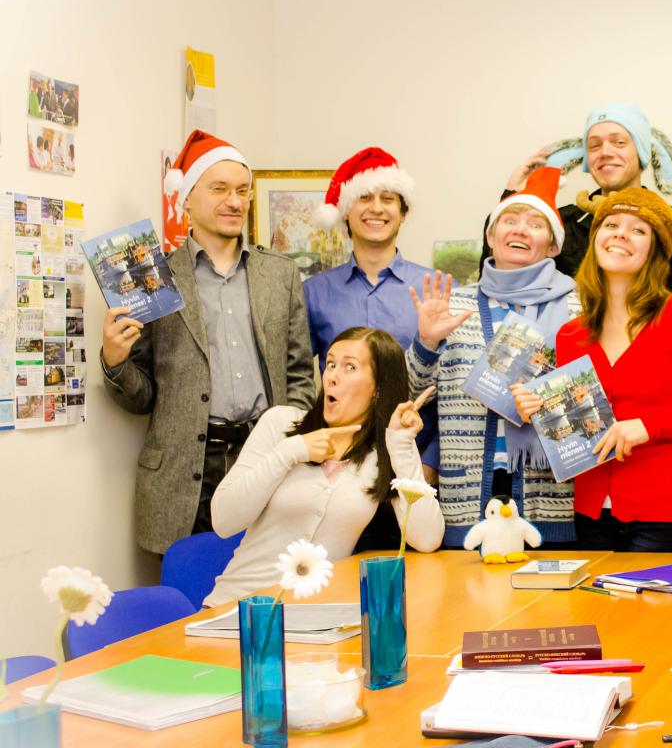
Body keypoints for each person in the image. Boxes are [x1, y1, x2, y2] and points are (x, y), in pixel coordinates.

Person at [102, 131, 314, 556]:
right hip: (185, 474)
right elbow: (143, 399)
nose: (235, 201)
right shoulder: (150, 277)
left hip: (265, 458)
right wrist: (116, 361)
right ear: (186, 200)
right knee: (190, 588)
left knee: (267, 583)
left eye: (242, 190)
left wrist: (288, 443)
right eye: (219, 189)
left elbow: (301, 376)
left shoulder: (280, 274)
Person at [517, 188, 672, 552]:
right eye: (611, 225)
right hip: (589, 516)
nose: (620, 234)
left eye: (638, 230)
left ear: (656, 250)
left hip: (667, 515)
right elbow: (574, 429)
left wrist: (649, 426)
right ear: (595, 238)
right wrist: (537, 411)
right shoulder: (571, 334)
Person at [205, 327, 442, 606]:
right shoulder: (281, 424)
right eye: (330, 364)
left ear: (378, 387)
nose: (332, 376)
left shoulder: (384, 453)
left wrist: (401, 445)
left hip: (316, 619)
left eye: (349, 367)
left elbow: (427, 538)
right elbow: (223, 520)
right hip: (238, 609)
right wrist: (292, 451)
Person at [407, 167, 581, 547]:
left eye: (535, 224)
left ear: (553, 245)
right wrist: (426, 343)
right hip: (466, 498)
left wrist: (545, 402)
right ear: (491, 236)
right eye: (510, 220)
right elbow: (413, 396)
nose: (520, 230)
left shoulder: (578, 309)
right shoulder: (453, 305)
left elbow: (596, 406)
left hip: (549, 499)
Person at [484, 102, 672, 314]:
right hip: (570, 341)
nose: (605, 152)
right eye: (594, 145)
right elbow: (500, 279)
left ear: (642, 152)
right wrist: (515, 198)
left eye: (619, 142)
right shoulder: (561, 224)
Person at [305, 147, 431, 362]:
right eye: (364, 197)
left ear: (403, 214)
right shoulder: (313, 292)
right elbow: (294, 369)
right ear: (345, 211)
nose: (376, 208)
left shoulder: (437, 289)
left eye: (388, 198)